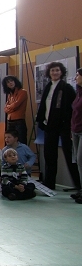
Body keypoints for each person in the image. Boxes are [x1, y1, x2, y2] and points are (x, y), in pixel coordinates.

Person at [36, 61, 80, 190]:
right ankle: (50, 183)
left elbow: (74, 107)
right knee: (49, 155)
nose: (55, 73)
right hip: (49, 126)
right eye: (52, 70)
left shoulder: (66, 87)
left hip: (64, 127)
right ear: (49, 73)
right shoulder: (48, 86)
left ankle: (79, 185)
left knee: (70, 155)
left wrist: (67, 122)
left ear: (61, 72)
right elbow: (44, 106)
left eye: (57, 70)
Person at [2, 75, 29, 144]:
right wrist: (10, 108)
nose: (10, 83)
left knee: (21, 142)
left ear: (15, 81)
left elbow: (15, 105)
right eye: (8, 82)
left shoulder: (23, 92)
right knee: (9, 142)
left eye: (11, 81)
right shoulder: (9, 95)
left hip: (19, 122)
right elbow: (5, 109)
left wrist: (10, 108)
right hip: (10, 121)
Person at [72, 69, 82, 203]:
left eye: (78, 75)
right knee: (79, 163)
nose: (76, 78)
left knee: (81, 160)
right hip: (75, 129)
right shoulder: (78, 92)